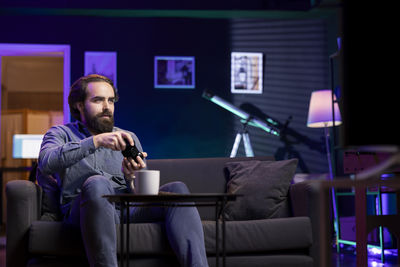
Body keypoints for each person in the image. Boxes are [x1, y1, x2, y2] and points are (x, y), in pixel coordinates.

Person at [37, 74, 208, 267]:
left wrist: (132, 178)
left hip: (125, 209)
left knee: (177, 189)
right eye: (98, 100)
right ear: (78, 104)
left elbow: (142, 195)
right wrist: (96, 141)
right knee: (97, 183)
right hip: (85, 210)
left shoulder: (128, 137)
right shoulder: (60, 134)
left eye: (110, 100)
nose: (106, 107)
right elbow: (46, 162)